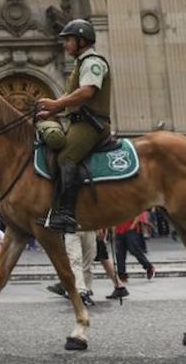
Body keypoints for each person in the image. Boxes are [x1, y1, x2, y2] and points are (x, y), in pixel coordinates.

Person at [36, 19, 111, 233]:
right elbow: (73, 99)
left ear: (81, 40)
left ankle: (67, 213)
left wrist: (57, 104)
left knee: (65, 157)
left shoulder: (92, 62)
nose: (65, 44)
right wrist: (52, 112)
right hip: (79, 122)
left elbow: (87, 92)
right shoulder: (80, 64)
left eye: (68, 40)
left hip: (92, 125)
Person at [114, 215, 155, 283]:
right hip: (119, 229)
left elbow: (138, 213)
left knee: (134, 250)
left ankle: (148, 266)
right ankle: (122, 274)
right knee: (119, 252)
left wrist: (132, 226)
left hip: (130, 229)